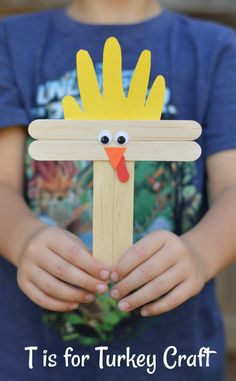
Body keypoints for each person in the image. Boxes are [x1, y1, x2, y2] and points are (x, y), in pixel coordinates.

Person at [0, 0, 236, 379]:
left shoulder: (217, 51)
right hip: (33, 362)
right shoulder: (10, 42)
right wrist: (22, 237)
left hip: (174, 363)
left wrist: (200, 252)